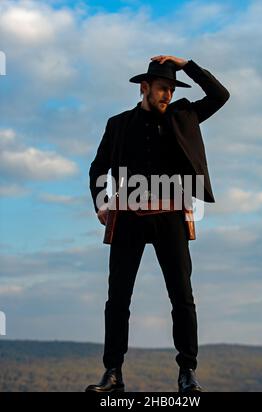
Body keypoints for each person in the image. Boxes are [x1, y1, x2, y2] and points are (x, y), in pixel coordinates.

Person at [86, 55, 230, 392]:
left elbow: (220, 96)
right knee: (117, 298)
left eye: (171, 88)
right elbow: (98, 168)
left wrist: (186, 64)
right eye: (162, 88)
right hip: (127, 217)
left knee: (182, 296)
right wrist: (101, 202)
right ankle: (113, 373)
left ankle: (187, 373)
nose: (167, 94)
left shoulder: (185, 115)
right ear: (144, 87)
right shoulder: (118, 124)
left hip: (171, 216)